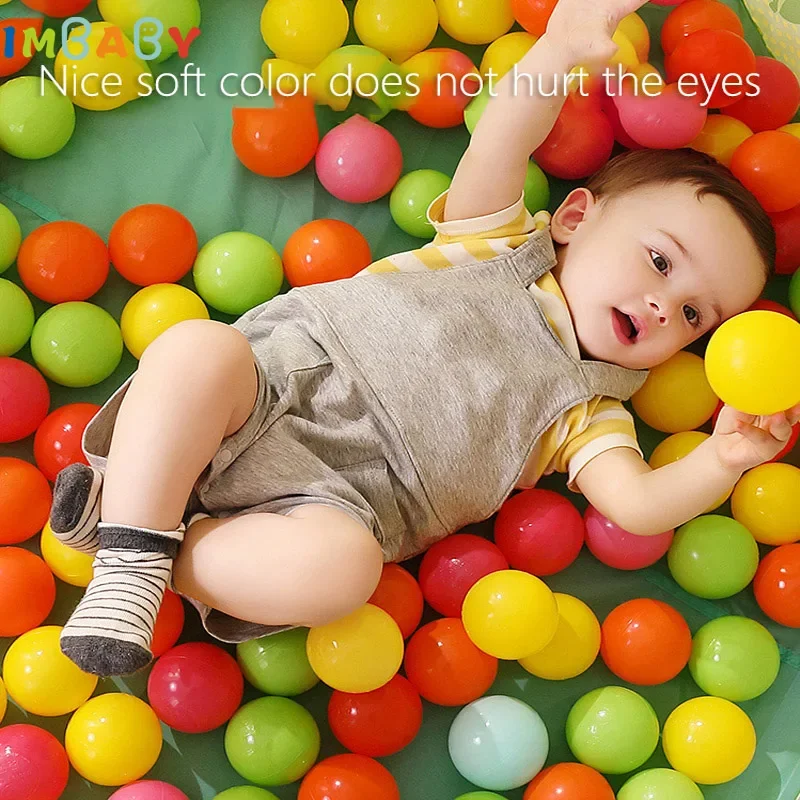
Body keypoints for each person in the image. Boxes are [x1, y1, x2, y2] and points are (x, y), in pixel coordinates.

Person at [50, 0, 798, 677]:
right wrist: (559, 49)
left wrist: (724, 458)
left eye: (696, 316)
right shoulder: (495, 242)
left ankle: (139, 537)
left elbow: (636, 503)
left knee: (343, 576)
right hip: (274, 384)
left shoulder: (589, 409)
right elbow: (506, 132)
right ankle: (132, 559)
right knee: (196, 349)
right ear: (574, 219)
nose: (665, 305)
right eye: (661, 261)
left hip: (337, 504)